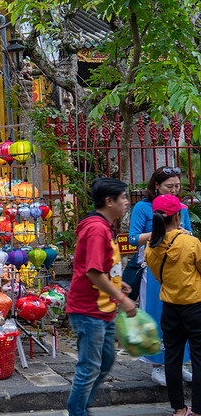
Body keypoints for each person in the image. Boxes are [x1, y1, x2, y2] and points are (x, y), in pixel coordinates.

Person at [66, 177, 137, 416]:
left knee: (104, 363)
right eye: (124, 198)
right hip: (88, 311)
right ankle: (77, 412)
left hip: (103, 309)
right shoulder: (97, 229)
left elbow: (102, 267)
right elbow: (94, 272)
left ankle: (80, 406)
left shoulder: (105, 226)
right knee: (89, 367)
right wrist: (123, 298)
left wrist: (118, 282)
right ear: (109, 201)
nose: (127, 202)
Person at [128, 166, 194, 386]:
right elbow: (133, 239)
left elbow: (189, 232)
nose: (174, 190)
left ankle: (180, 363)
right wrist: (161, 232)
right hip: (154, 267)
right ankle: (157, 365)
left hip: (180, 267)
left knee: (182, 315)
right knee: (156, 314)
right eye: (169, 186)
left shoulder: (181, 208)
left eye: (177, 186)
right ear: (156, 186)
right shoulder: (142, 208)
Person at [145, 195, 201, 416]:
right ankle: (198, 411)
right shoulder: (191, 243)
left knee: (172, 357)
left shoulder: (152, 246)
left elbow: (160, 277)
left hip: (170, 308)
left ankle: (179, 409)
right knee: (198, 358)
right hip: (195, 306)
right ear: (178, 216)